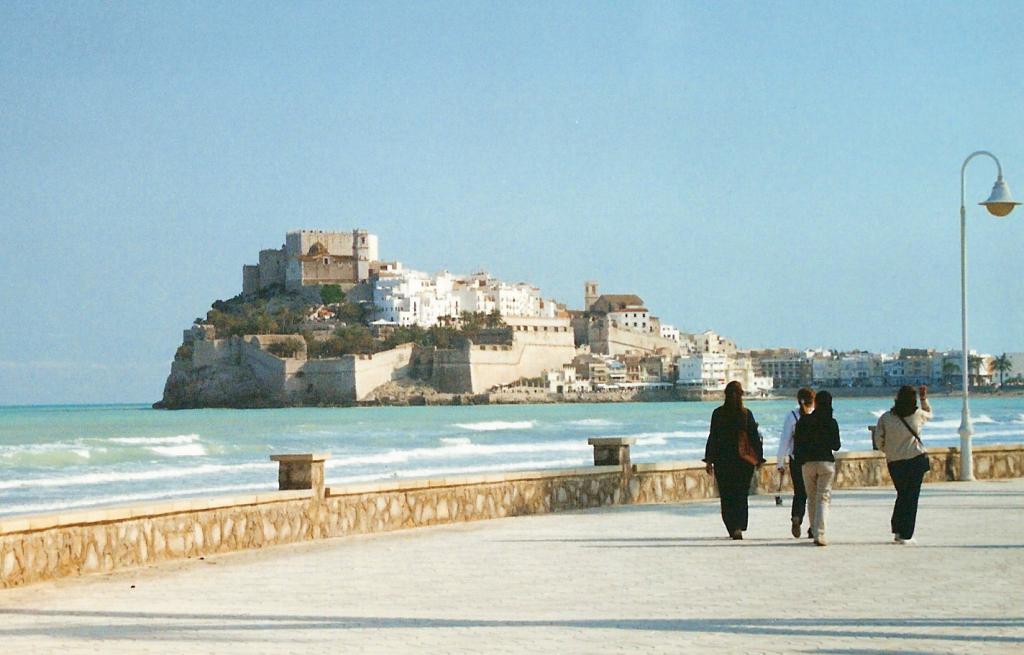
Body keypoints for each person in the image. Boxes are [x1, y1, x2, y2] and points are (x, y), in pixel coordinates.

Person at [704, 381, 765, 540]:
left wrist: (709, 460)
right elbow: (754, 438)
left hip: (723, 461)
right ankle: (738, 526)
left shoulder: (718, 414)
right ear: (741, 395)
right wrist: (759, 458)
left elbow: (713, 437)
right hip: (743, 461)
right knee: (741, 494)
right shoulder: (746, 414)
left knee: (727, 495)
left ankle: (732, 526)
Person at [873, 385, 932, 545]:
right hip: (915, 459)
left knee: (902, 494)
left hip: (895, 462)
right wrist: (924, 399)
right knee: (911, 497)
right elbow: (929, 414)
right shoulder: (918, 414)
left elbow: (878, 440)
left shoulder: (886, 417)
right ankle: (906, 534)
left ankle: (898, 529)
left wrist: (889, 450)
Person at [793, 390, 841, 546]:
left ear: (816, 403)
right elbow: (836, 445)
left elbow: (797, 444)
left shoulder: (804, 421)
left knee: (812, 498)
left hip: (808, 463)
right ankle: (820, 533)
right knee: (823, 498)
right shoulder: (831, 422)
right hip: (826, 463)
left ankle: (814, 530)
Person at [776, 388, 815, 538]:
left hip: (796, 459)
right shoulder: (816, 415)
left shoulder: (792, 416)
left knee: (800, 492)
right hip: (814, 459)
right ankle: (813, 526)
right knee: (814, 494)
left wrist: (780, 463)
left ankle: (797, 516)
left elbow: (784, 441)